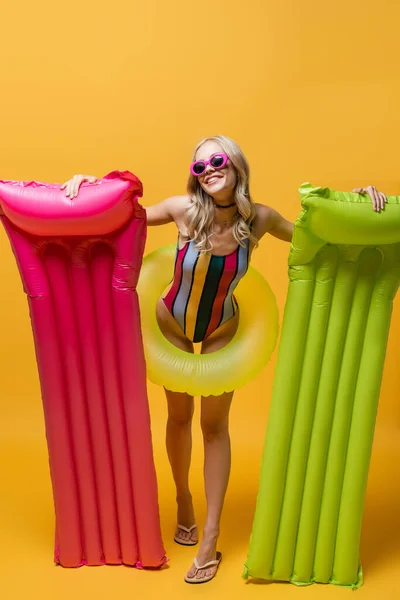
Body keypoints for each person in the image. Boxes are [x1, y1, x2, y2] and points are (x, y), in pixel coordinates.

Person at [61, 136, 386, 584]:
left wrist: (361, 202)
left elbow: (323, 237)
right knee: (179, 418)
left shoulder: (260, 220)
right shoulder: (182, 210)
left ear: (235, 165)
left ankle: (210, 538)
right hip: (171, 322)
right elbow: (119, 215)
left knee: (214, 428)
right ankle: (183, 500)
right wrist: (87, 184)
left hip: (222, 328)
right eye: (200, 167)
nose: (209, 170)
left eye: (217, 161)